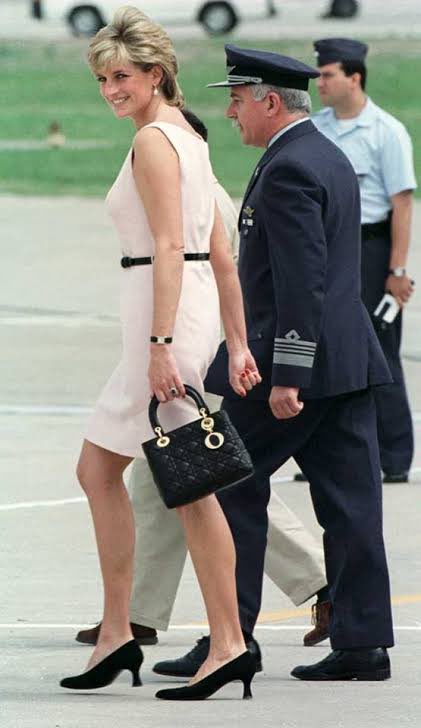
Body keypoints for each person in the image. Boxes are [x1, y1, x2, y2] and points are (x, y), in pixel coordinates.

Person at [166, 43, 395, 681]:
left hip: (287, 370)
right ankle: (362, 644)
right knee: (351, 505)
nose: (231, 112)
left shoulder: (290, 168)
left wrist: (288, 374)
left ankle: (231, 639)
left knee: (226, 489)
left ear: (270, 102)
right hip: (345, 362)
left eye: (238, 100)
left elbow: (302, 281)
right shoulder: (325, 154)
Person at [75, 109, 331, 668]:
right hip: (195, 342)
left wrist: (206, 346)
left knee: (204, 476)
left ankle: (313, 583)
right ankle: (137, 613)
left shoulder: (193, 186)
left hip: (193, 348)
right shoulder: (197, 183)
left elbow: (220, 268)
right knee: (168, 478)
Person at [60, 8, 261, 701]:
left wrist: (161, 346)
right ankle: (119, 632)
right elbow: (222, 253)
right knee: (101, 470)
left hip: (164, 318)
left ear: (155, 74)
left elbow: (174, 246)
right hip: (176, 313)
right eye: (102, 79)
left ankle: (228, 644)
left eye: (121, 76)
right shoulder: (188, 136)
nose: (110, 90)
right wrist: (235, 341)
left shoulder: (154, 141)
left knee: (191, 486)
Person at [311, 37, 417, 483]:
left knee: (379, 349)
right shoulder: (316, 128)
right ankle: (322, 454)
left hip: (370, 250)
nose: (320, 83)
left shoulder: (385, 131)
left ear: (354, 78)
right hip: (326, 247)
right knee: (323, 347)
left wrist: (397, 270)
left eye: (328, 75)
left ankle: (394, 457)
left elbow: (402, 204)